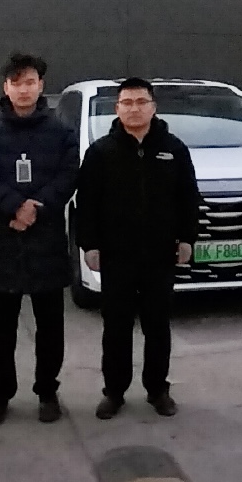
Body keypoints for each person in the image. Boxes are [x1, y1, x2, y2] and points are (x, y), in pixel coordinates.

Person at [75, 77, 200, 419]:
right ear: (117, 109)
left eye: (141, 102)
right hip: (117, 256)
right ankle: (114, 392)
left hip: (160, 255)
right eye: (127, 103)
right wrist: (89, 245)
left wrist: (187, 238)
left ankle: (158, 389)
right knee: (116, 327)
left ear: (153, 107)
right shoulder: (101, 152)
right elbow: (87, 203)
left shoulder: (174, 149)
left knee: (157, 325)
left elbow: (189, 198)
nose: (134, 109)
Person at [0, 53, 79, 426]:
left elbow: (69, 176)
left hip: (46, 242)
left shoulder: (61, 132)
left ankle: (47, 392)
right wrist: (14, 207)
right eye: (16, 83)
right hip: (3, 241)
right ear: (6, 87)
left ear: (41, 86)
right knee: (1, 327)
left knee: (50, 326)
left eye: (30, 82)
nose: (23, 89)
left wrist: (37, 208)